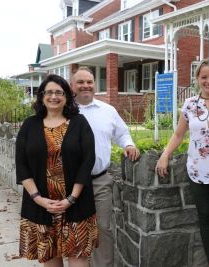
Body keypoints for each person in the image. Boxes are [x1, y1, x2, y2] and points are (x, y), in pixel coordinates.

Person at [156, 59, 209, 267]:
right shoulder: (190, 104)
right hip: (197, 171)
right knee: (204, 217)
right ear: (197, 79)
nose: (208, 81)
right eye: (204, 77)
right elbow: (178, 134)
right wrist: (165, 155)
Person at [16, 74, 98, 266]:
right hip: (41, 206)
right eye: (49, 92)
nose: (54, 96)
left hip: (77, 206)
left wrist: (71, 199)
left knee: (79, 259)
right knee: (51, 260)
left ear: (67, 96)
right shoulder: (29, 125)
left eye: (59, 92)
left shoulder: (79, 123)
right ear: (42, 96)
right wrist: (38, 199)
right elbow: (21, 164)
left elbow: (88, 161)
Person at [71, 67, 140, 267]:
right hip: (70, 183)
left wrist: (128, 144)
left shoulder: (107, 110)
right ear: (72, 85)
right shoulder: (65, 111)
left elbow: (122, 133)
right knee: (74, 229)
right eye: (80, 82)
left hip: (100, 180)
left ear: (95, 84)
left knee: (103, 228)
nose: (86, 86)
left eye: (89, 82)